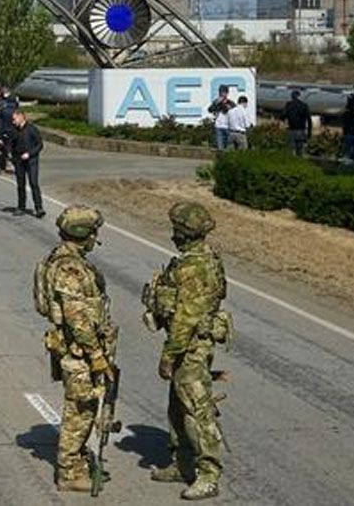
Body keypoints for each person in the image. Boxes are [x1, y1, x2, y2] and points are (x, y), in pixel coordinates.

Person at [141, 201, 230, 501]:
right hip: (187, 346)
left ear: (186, 232)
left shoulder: (194, 267)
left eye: (177, 229)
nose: (173, 234)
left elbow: (185, 319)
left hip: (190, 349)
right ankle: (181, 463)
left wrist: (168, 355)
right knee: (177, 409)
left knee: (196, 411)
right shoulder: (196, 259)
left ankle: (208, 475)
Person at [33, 205, 115, 493]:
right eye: (93, 232)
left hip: (76, 349)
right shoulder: (69, 267)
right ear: (83, 234)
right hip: (79, 352)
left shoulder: (65, 259)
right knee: (79, 411)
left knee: (85, 408)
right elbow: (77, 317)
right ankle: (68, 472)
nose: (96, 238)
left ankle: (77, 462)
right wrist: (97, 356)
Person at [11, 110, 45, 218]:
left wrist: (29, 154)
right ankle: (21, 207)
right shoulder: (14, 131)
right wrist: (10, 157)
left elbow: (39, 145)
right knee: (20, 185)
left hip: (31, 161)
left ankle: (39, 208)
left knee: (33, 183)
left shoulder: (32, 129)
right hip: (18, 161)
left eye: (14, 119)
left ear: (21, 117)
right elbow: (11, 144)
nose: (13, 121)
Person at [282, 90, 312, 157]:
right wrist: (309, 132)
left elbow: (283, 116)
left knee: (290, 151)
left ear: (292, 97)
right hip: (301, 130)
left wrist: (284, 122)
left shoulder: (289, 105)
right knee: (300, 151)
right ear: (299, 96)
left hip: (292, 130)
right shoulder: (304, 105)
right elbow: (309, 120)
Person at [207, 85, 235, 151]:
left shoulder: (231, 103)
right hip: (218, 126)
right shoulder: (216, 102)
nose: (222, 94)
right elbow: (210, 110)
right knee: (220, 147)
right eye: (221, 92)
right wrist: (216, 103)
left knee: (228, 146)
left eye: (224, 92)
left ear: (227, 93)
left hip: (228, 126)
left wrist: (223, 103)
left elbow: (226, 110)